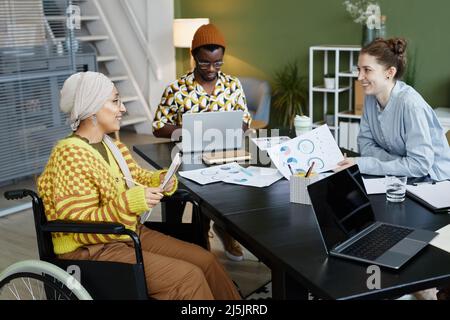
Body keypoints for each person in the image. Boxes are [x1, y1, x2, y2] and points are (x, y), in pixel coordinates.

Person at [37, 71, 241, 300]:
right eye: (115, 101)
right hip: (92, 249)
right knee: (188, 277)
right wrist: (131, 201)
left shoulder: (111, 145)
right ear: (92, 108)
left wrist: (161, 180)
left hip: (126, 234)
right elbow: (77, 221)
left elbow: (136, 177)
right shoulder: (69, 154)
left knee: (206, 260)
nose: (123, 108)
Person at [152, 23, 251, 262]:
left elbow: (246, 119)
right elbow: (157, 127)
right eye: (205, 62)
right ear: (194, 56)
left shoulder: (232, 84)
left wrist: (233, 128)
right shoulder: (176, 89)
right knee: (197, 193)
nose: (211, 69)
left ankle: (225, 231)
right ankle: (200, 235)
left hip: (225, 152)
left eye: (218, 63)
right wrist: (189, 132)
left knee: (236, 191)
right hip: (190, 155)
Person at [336, 38, 450, 181]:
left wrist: (364, 164)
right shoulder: (371, 98)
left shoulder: (411, 105)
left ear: (389, 72)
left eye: (367, 70)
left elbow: (419, 165)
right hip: (399, 176)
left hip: (432, 181)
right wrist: (398, 162)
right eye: (359, 69)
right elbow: (365, 145)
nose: (359, 77)